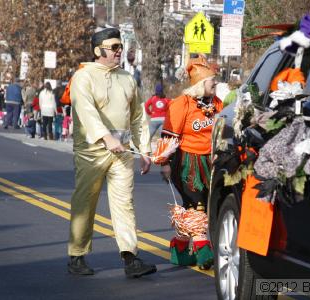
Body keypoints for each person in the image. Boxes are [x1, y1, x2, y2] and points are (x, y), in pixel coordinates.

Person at [68, 27, 156, 278]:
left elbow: (138, 116)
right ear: (98, 51)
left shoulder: (127, 79)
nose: (120, 52)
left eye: (121, 47)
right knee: (85, 203)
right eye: (114, 47)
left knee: (124, 204)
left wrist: (145, 149)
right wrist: (106, 137)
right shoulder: (83, 77)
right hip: (91, 151)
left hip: (123, 152)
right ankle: (76, 256)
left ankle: (130, 258)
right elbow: (85, 111)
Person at [161, 55, 223, 270]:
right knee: (197, 204)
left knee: (192, 206)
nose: (215, 83)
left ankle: (179, 250)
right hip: (187, 163)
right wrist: (165, 163)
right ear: (199, 83)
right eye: (211, 80)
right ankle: (203, 251)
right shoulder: (181, 104)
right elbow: (169, 136)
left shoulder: (216, 104)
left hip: (210, 162)